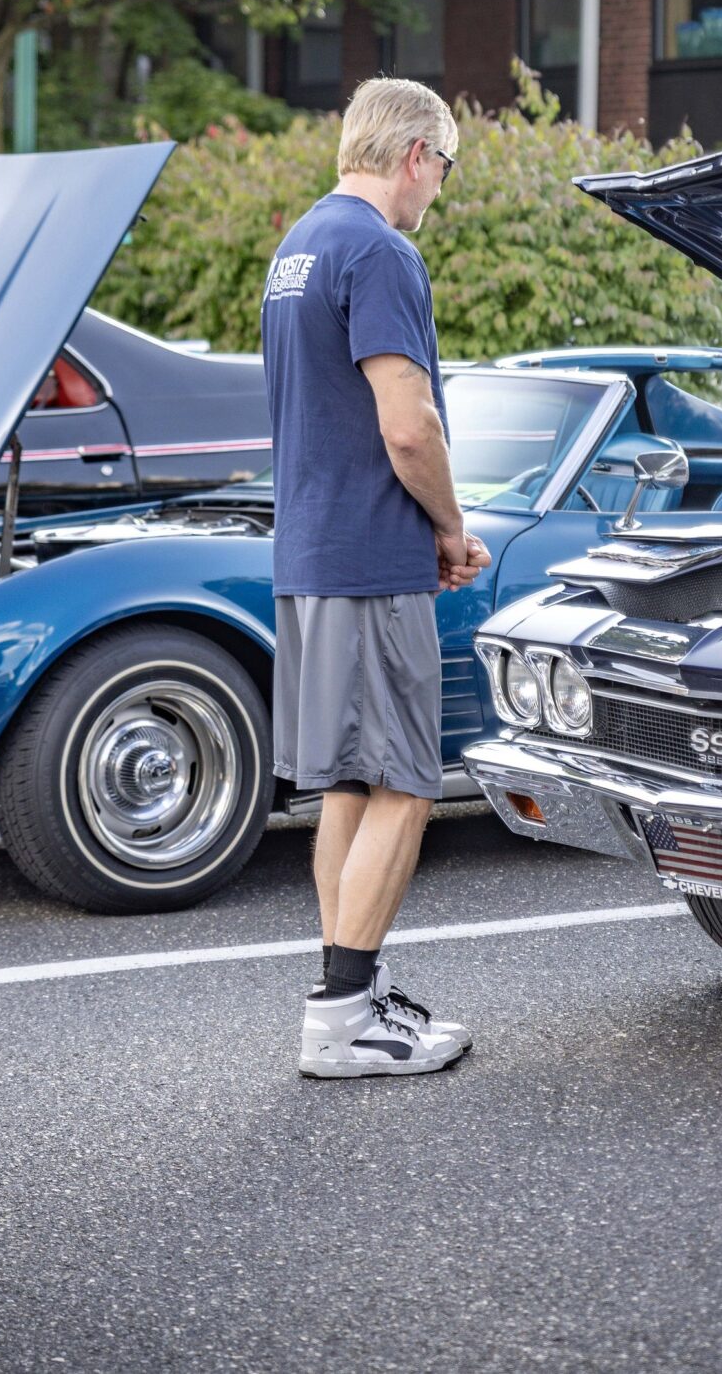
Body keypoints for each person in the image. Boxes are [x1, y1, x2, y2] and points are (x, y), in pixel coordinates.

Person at [262, 77, 485, 1079]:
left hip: (309, 554)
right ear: (413, 154)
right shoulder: (381, 251)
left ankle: (352, 992)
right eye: (445, 162)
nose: (441, 182)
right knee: (404, 782)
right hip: (369, 556)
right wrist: (450, 524)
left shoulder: (297, 247)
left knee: (347, 785)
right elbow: (408, 421)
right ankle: (344, 1019)